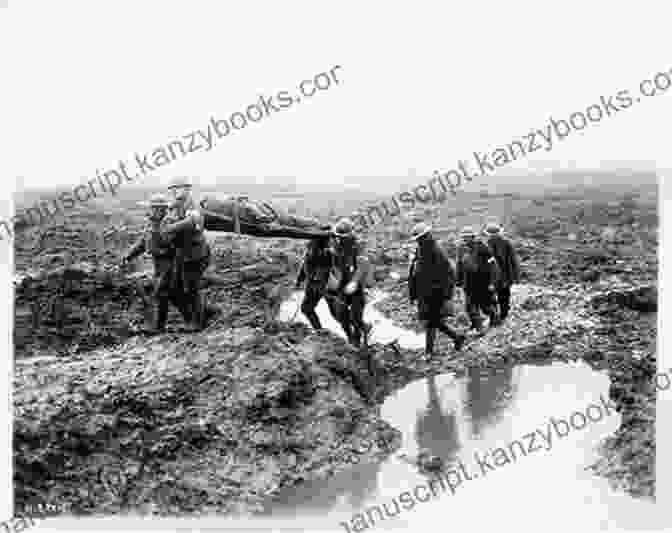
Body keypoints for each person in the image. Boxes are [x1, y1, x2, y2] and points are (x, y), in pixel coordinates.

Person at [121, 193, 191, 334]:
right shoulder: (153, 223)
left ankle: (157, 326)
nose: (151, 211)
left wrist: (161, 251)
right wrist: (128, 256)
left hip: (170, 263)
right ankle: (194, 318)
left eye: (154, 208)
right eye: (151, 208)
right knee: (173, 295)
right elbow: (143, 242)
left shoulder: (169, 223)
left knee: (160, 293)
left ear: (162, 209)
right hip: (159, 264)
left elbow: (177, 246)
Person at [161, 177, 212, 332]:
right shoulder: (176, 206)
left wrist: (170, 228)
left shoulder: (192, 205)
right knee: (174, 289)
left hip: (195, 254)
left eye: (178, 188)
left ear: (187, 189)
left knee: (192, 288)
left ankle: (197, 322)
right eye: (173, 189)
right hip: (182, 254)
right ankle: (198, 316)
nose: (174, 191)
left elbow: (193, 222)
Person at [408, 223, 466, 355]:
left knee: (431, 322)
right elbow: (414, 274)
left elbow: (449, 273)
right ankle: (456, 337)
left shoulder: (436, 251)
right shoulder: (420, 250)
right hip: (424, 292)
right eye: (418, 238)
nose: (419, 240)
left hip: (435, 293)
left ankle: (430, 351)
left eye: (421, 237)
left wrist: (447, 295)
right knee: (433, 321)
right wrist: (413, 294)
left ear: (427, 236)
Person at [324, 218, 372, 347]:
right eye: (338, 236)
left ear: (350, 234)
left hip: (356, 286)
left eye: (343, 236)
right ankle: (350, 337)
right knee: (341, 315)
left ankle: (358, 337)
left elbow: (363, 265)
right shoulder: (335, 245)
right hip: (342, 284)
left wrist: (355, 282)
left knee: (356, 317)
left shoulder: (358, 246)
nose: (340, 239)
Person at [456, 226, 500, 334]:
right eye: (463, 238)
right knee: (470, 307)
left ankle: (495, 317)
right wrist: (458, 280)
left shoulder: (483, 248)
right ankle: (479, 327)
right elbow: (459, 265)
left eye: (467, 237)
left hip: (482, 282)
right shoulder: (461, 249)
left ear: (473, 237)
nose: (465, 240)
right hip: (468, 283)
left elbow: (493, 266)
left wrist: (492, 282)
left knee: (485, 306)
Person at [483, 222, 520, 322]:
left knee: (501, 295)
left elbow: (513, 259)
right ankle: (499, 314)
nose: (492, 236)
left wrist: (515, 275)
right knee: (499, 295)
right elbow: (514, 260)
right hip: (497, 274)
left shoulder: (503, 243)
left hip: (501, 274)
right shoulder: (488, 244)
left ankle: (502, 314)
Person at [295, 235, 333, 331]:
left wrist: (318, 282)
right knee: (306, 308)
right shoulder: (311, 251)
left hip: (320, 285)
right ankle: (319, 330)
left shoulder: (326, 253)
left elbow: (325, 270)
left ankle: (319, 330)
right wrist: (299, 280)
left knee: (306, 308)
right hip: (313, 284)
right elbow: (305, 266)